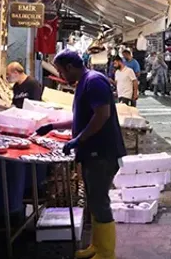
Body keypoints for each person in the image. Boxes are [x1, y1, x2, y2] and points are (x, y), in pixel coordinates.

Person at [35, 50, 126, 259]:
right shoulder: (84, 82)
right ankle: (96, 245)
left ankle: (106, 253)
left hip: (102, 153)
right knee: (94, 200)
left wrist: (79, 139)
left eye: (60, 71)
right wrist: (52, 125)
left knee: (99, 200)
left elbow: (103, 115)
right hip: (91, 152)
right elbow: (81, 118)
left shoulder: (94, 82)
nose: (61, 75)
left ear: (69, 67)